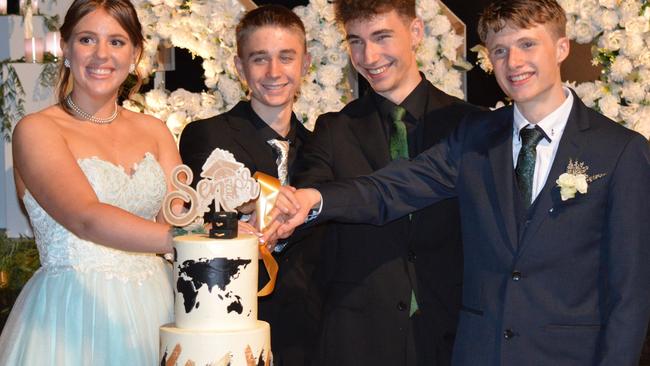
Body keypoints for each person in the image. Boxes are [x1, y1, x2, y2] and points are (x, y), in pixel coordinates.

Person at [270, 0, 650, 364]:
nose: (513, 62)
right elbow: (393, 186)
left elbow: (629, 293)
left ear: (562, 47)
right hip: (478, 353)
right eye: (499, 51)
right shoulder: (474, 136)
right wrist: (313, 199)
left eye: (527, 44)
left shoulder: (621, 151)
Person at [288, 1, 480, 365]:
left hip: (450, 336)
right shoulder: (333, 129)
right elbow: (306, 209)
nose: (368, 55)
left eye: (381, 37)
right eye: (356, 41)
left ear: (416, 32)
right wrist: (278, 212)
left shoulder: (470, 125)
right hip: (357, 338)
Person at [0, 0, 183, 364]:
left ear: (134, 55)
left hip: (158, 309)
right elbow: (85, 217)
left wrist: (232, 218)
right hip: (73, 314)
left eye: (116, 42)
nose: (102, 55)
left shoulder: (156, 131)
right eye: (87, 40)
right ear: (66, 48)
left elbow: (178, 213)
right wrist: (185, 240)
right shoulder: (37, 130)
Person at [178, 5, 322, 365]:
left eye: (286, 58)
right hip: (228, 322)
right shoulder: (206, 135)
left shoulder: (323, 147)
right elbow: (205, 219)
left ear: (304, 65)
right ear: (241, 68)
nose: (274, 72)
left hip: (309, 331)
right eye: (260, 59)